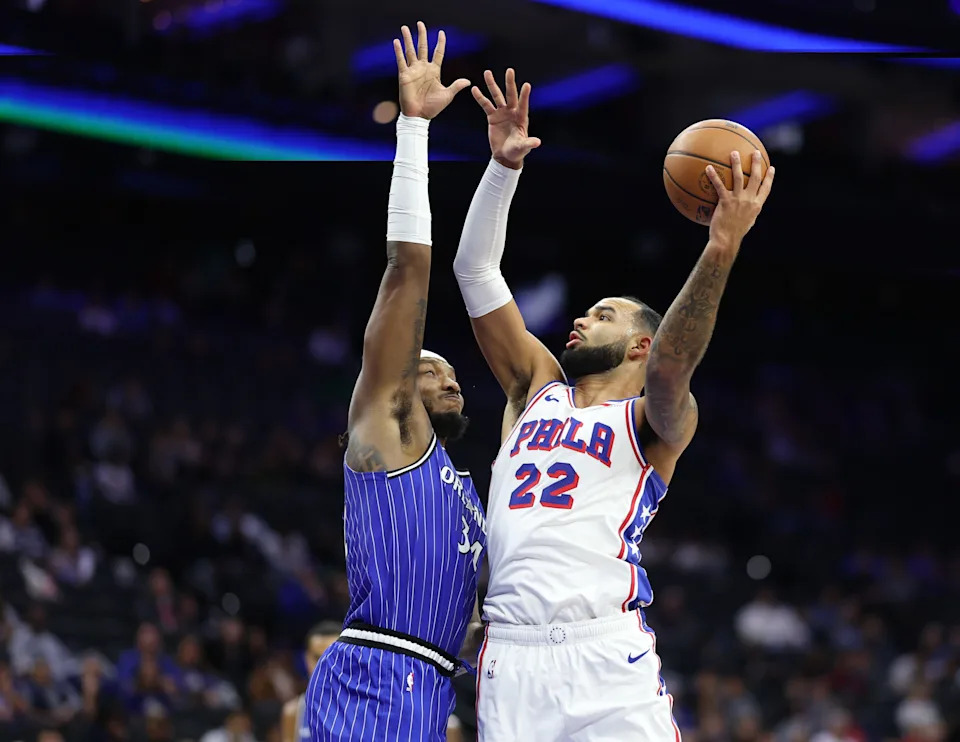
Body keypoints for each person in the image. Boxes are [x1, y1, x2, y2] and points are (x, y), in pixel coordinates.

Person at [453, 68, 775, 741]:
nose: (581, 320)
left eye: (604, 316)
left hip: (607, 653)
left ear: (640, 345)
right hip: (510, 656)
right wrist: (502, 168)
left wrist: (721, 246)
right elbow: (476, 272)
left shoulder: (658, 421)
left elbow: (674, 365)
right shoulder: (534, 390)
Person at [305, 22, 486, 742]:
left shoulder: (465, 491)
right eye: (431, 365)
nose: (451, 376)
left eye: (452, 370)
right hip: (376, 674)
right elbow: (408, 271)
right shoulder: (390, 427)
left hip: (434, 686)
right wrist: (414, 128)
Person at [281, 622, 340, 742]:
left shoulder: (365, 710)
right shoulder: (294, 713)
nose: (324, 666)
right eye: (317, 658)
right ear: (306, 659)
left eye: (332, 657)